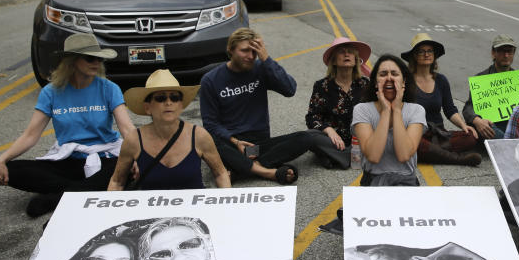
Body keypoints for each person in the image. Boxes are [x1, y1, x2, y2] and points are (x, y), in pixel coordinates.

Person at [0, 33, 136, 217]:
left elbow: (126, 128)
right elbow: (30, 135)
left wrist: (139, 156)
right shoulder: (51, 92)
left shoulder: (109, 88)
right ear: (72, 61)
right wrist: (1, 160)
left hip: (105, 157)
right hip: (68, 159)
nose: (96, 63)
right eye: (90, 58)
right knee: (11, 170)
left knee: (127, 166)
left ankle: (56, 199)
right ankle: (83, 191)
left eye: (99, 58)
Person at [199, 28, 342, 185]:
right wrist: (235, 142)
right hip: (230, 143)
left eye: (254, 51)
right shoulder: (211, 80)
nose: (250, 56)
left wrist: (266, 59)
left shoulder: (261, 68)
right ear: (230, 50)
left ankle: (242, 170)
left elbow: (289, 89)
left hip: (258, 145)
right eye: (245, 50)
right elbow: (210, 124)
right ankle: (268, 171)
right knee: (205, 141)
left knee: (306, 138)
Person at [108, 69, 229, 190]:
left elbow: (220, 174)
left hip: (193, 208)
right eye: (161, 98)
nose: (168, 102)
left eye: (175, 98)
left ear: (181, 105)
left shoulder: (199, 136)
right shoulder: (134, 140)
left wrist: (227, 202)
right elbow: (117, 182)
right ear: (147, 107)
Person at [401, 33, 481, 166]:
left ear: (434, 55)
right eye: (421, 51)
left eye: (429, 51)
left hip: (439, 133)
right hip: (416, 133)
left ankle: (431, 153)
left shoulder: (441, 80)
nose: (426, 54)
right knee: (411, 142)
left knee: (471, 138)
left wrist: (463, 125)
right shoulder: (406, 81)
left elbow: (450, 109)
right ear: (414, 56)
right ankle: (457, 159)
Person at [351, 54, 426, 186]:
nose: (389, 78)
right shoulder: (361, 109)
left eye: (395, 74)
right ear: (375, 82)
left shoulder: (416, 110)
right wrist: (386, 111)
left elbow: (403, 155)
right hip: (372, 181)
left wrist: (396, 110)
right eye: (383, 74)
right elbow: (373, 156)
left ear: (404, 82)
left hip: (406, 182)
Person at [305, 37, 371, 169]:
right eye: (341, 52)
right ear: (333, 61)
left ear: (356, 60)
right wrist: (329, 130)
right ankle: (348, 157)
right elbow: (312, 117)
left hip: (361, 140)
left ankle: (334, 157)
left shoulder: (365, 84)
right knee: (307, 137)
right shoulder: (322, 85)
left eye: (351, 52)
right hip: (333, 140)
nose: (347, 54)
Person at [462, 34, 518, 140]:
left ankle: (507, 142)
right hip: (491, 127)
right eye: (502, 51)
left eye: (509, 52)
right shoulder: (481, 79)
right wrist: (477, 120)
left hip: (513, 128)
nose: (506, 55)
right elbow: (468, 108)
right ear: (493, 53)